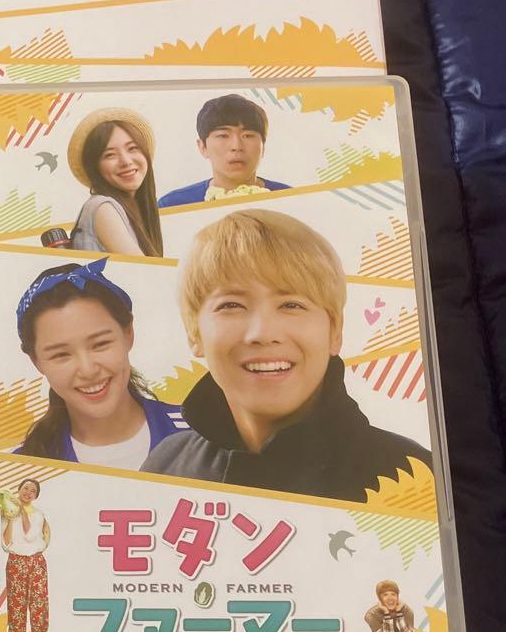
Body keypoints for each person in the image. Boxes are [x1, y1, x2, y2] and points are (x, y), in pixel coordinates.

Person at [141, 210, 433, 501]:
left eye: (292, 305)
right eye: (231, 305)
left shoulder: (411, 478)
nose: (263, 333)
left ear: (335, 331)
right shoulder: (167, 466)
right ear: (194, 333)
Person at [15, 259, 186, 469]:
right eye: (61, 355)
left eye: (100, 344)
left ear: (128, 334)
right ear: (36, 361)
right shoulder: (21, 470)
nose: (88, 370)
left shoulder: (202, 436)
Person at [158, 94, 290, 207]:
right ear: (202, 147)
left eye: (248, 135)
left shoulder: (290, 199)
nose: (236, 146)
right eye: (223, 135)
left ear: (263, 146)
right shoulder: (173, 205)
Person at [66, 107, 163, 256]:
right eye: (110, 155)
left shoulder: (132, 209)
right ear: (95, 167)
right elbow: (142, 269)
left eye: (132, 148)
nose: (126, 161)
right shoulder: (103, 208)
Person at [0, 478, 51, 632]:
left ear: (36, 496)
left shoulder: (38, 515)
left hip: (36, 562)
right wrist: (10, 517)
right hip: (15, 562)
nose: (28, 492)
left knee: (39, 610)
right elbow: (6, 543)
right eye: (25, 488)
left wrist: (21, 512)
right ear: (18, 490)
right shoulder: (7, 513)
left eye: (33, 490)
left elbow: (29, 536)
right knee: (16, 610)